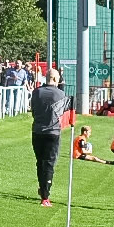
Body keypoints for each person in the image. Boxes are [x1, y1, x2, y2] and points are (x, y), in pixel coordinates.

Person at [28, 76, 70, 206]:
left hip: (37, 131)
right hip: (53, 132)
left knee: (40, 162)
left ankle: (43, 188)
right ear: (55, 79)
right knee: (49, 163)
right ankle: (45, 196)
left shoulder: (36, 92)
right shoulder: (60, 94)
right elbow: (64, 111)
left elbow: (33, 109)